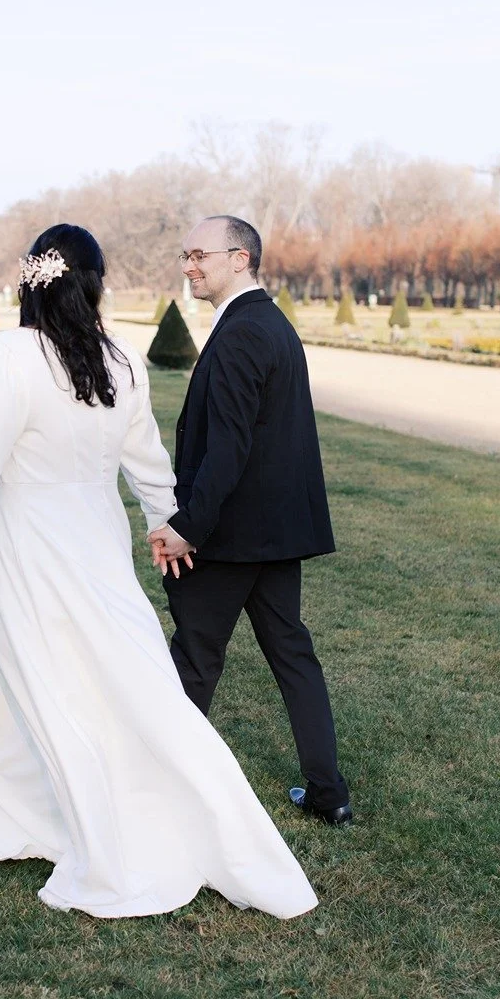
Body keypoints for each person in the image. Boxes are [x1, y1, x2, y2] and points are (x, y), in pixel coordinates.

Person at [0, 223, 318, 920]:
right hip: (95, 543)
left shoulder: (2, 358)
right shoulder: (119, 361)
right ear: (93, 285)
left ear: (30, 281)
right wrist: (167, 524)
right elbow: (148, 465)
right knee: (29, 673)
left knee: (61, 678)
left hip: (32, 548)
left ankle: (119, 823)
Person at [148, 216, 352, 826]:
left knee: (194, 660)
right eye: (185, 254)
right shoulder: (270, 323)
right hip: (273, 534)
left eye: (198, 254)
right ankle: (328, 793)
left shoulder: (240, 333)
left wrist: (189, 525)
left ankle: (160, 794)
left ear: (240, 259)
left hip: (232, 535)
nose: (189, 265)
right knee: (292, 655)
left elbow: (229, 448)